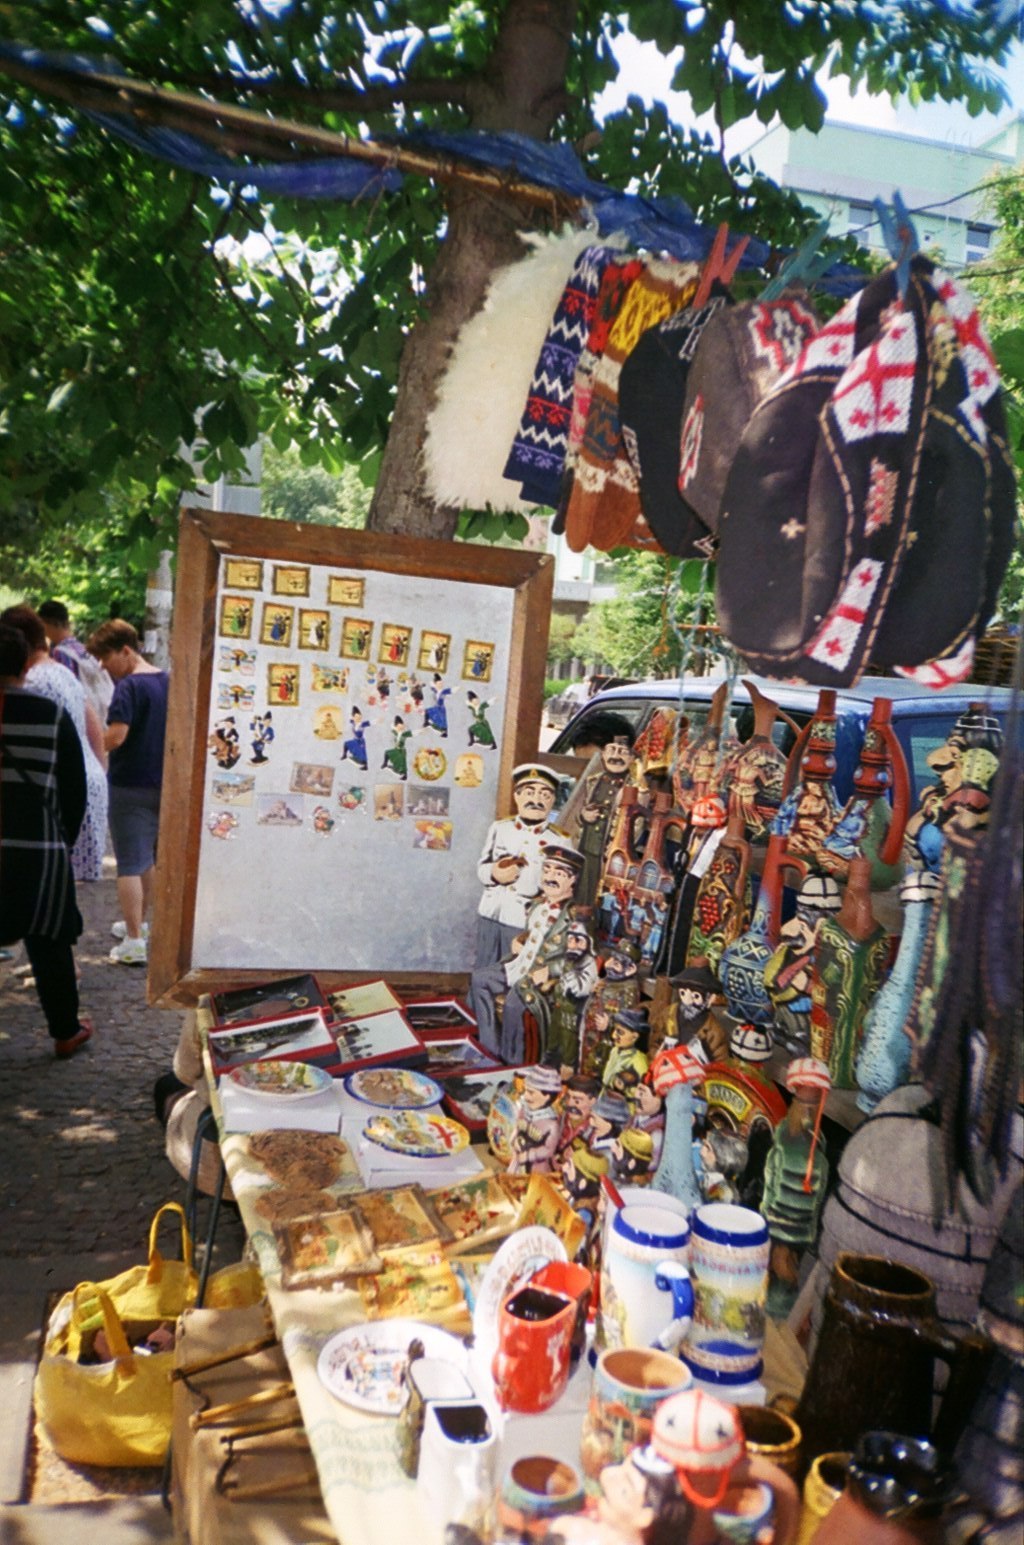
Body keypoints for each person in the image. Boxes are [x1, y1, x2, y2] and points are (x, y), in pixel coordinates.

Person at [0, 622, 93, 1056]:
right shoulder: (50, 713)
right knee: (51, 942)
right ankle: (65, 1031)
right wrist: (63, 843)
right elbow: (73, 791)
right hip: (39, 850)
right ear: (24, 663)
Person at [2, 605, 108, 883]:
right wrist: (100, 770)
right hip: (87, 781)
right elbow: (92, 724)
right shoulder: (62, 672)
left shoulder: (31, 682)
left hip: (56, 792)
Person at [87, 619, 169, 966]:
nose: (104, 667)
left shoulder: (129, 687)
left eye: (106, 658)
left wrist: (88, 745)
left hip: (129, 783)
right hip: (161, 782)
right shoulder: (166, 680)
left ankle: (134, 940)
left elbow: (117, 736)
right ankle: (140, 923)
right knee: (147, 859)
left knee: (129, 864)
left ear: (125, 650)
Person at [474, 762, 560, 965]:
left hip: (522, 918)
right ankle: (477, 998)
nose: (536, 800)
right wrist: (494, 873)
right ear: (517, 796)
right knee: (484, 967)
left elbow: (559, 887)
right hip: (491, 910)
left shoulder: (559, 840)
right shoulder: (500, 828)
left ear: (553, 801)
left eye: (545, 795)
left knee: (513, 969)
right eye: (529, 793)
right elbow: (482, 867)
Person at [36, 598, 113, 721]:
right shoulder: (82, 649)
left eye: (43, 625)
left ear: (52, 623)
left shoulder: (61, 653)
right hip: (99, 712)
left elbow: (67, 691)